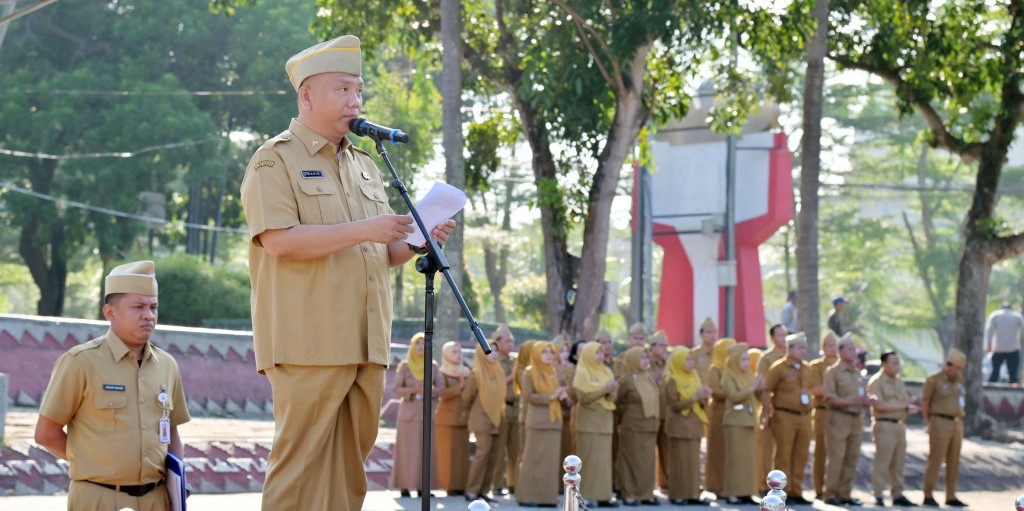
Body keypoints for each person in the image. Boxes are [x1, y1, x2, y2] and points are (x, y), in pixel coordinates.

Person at [239, 35, 456, 511]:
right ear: (307, 95)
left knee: (348, 474)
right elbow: (279, 241)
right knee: (300, 471)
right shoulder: (274, 160)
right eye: (343, 89)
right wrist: (365, 229)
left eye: (359, 90)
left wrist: (420, 238)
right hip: (309, 343)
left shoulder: (366, 165)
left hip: (366, 343)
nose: (355, 101)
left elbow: (379, 251)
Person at [35, 261, 190, 511]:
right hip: (99, 499)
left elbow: (171, 434)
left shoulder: (167, 365)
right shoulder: (80, 362)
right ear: (110, 313)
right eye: (138, 307)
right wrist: (94, 463)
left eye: (153, 307)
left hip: (157, 499)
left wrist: (177, 491)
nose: (148, 315)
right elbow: (46, 434)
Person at [762, 332, 814, 505]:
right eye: (799, 348)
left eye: (804, 348)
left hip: (805, 417)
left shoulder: (807, 368)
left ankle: (796, 492)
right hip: (784, 416)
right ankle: (781, 493)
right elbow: (767, 390)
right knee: (783, 455)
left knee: (801, 455)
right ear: (789, 349)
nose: (803, 351)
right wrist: (766, 414)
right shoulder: (779, 367)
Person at [517, 341, 567, 507]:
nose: (548, 355)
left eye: (551, 352)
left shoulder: (553, 371)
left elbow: (554, 395)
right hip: (537, 421)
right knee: (532, 459)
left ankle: (547, 498)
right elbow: (528, 396)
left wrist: (561, 395)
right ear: (536, 354)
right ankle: (527, 496)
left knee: (550, 461)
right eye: (544, 352)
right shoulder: (529, 373)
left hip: (553, 421)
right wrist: (551, 397)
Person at [390, 333, 440, 496]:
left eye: (423, 343)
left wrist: (429, 390)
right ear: (412, 346)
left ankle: (422, 488)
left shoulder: (433, 366)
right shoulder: (405, 366)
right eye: (417, 343)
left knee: (425, 450)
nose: (420, 347)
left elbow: (440, 388)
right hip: (408, 416)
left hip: (426, 414)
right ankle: (404, 486)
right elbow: (396, 389)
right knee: (407, 451)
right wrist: (413, 390)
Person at [867, 351, 919, 507]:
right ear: (884, 364)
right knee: (883, 461)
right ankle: (878, 494)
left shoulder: (899, 381)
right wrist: (903, 405)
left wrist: (908, 408)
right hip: (884, 425)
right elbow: (879, 405)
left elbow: (901, 403)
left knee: (899, 463)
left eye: (898, 363)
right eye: (894, 363)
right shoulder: (876, 382)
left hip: (899, 425)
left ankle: (897, 494)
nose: (897, 366)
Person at [822, 335, 869, 506]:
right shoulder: (832, 372)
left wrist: (866, 400)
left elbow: (860, 396)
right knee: (837, 457)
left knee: (852, 457)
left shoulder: (857, 373)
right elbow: (829, 398)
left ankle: (845, 494)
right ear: (840, 351)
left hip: (856, 419)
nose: (854, 352)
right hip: (839, 418)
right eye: (849, 349)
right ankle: (831, 493)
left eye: (854, 349)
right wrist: (852, 401)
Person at [572, 342, 619, 507]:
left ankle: (603, 496)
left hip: (605, 422)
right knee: (589, 460)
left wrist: (612, 392)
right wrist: (604, 390)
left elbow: (611, 399)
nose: (600, 355)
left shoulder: (607, 371)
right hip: (589, 423)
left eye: (601, 352)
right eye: (596, 352)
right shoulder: (582, 372)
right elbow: (583, 398)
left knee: (604, 463)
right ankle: (585, 497)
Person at [921, 348, 968, 508]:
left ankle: (951, 495)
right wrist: (931, 422)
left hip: (957, 422)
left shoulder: (959, 380)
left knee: (954, 460)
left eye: (960, 369)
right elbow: (925, 403)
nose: (958, 371)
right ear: (948, 365)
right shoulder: (934, 380)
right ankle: (928, 494)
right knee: (936, 459)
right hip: (939, 421)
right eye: (956, 368)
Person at [664, 348, 710, 505]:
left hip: (694, 425)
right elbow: (674, 404)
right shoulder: (673, 379)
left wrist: (703, 397)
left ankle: (693, 494)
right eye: (687, 360)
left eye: (692, 360)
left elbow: (700, 402)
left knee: (693, 462)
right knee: (680, 462)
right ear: (678, 362)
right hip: (679, 426)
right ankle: (678, 495)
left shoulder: (695, 376)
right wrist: (694, 398)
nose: (691, 363)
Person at [615, 347, 661, 506]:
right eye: (641, 358)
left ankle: (646, 494)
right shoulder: (626, 380)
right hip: (632, 426)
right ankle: (628, 493)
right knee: (631, 460)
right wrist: (623, 416)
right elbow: (617, 400)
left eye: (646, 358)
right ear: (633, 360)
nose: (645, 361)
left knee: (647, 461)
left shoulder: (648, 377)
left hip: (649, 426)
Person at [463, 342, 506, 503]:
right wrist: (477, 411)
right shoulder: (476, 374)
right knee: (482, 453)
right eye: (489, 350)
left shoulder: (498, 370)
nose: (493, 353)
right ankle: (471, 490)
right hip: (481, 419)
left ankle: (483, 491)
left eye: (496, 350)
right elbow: (467, 398)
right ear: (481, 353)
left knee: (493, 455)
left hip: (497, 419)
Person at [721, 343, 763, 505]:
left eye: (747, 359)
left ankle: (747, 492)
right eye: (743, 359)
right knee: (735, 460)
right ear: (735, 360)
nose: (747, 363)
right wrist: (752, 388)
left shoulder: (749, 375)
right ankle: (732, 493)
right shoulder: (728, 376)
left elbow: (756, 397)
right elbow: (733, 396)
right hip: (735, 422)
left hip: (749, 421)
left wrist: (759, 388)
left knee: (749, 460)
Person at [756, 324, 789, 493]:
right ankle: (763, 485)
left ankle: (782, 487)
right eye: (780, 335)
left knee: (784, 452)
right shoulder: (767, 358)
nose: (784, 338)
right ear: (772, 338)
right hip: (770, 409)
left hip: (787, 411)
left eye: (786, 334)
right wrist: (766, 411)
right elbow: (761, 385)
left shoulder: (792, 359)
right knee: (766, 451)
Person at [437, 341, 472, 497]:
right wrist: (460, 386)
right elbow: (442, 393)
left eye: (460, 351)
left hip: (464, 418)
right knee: (448, 455)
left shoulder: (466, 371)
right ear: (447, 354)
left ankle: (461, 485)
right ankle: (450, 486)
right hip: (447, 418)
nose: (459, 355)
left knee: (462, 454)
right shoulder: (442, 372)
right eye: (455, 352)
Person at [808, 330, 840, 499]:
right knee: (821, 451)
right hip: (822, 412)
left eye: (834, 345)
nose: (832, 348)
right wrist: (837, 393)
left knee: (839, 453)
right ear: (823, 347)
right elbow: (816, 389)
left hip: (841, 414)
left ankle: (837, 490)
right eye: (828, 345)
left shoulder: (843, 367)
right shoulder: (816, 366)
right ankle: (819, 489)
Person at [704, 337, 736, 498]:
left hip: (734, 413)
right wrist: (734, 393)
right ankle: (717, 486)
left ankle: (731, 485)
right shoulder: (715, 369)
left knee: (731, 451)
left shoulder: (734, 368)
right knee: (718, 450)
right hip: (719, 413)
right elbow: (715, 391)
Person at [491, 326, 520, 496]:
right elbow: (498, 382)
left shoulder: (515, 361)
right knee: (499, 450)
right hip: (501, 408)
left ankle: (514, 484)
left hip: (516, 409)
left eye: (512, 341)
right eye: (507, 341)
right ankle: (496, 485)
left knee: (516, 450)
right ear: (498, 342)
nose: (511, 344)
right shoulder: (494, 361)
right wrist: (512, 376)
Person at [985, 303, 1024, 384]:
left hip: (998, 348)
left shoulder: (995, 315)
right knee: (1013, 375)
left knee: (995, 373)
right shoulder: (1017, 316)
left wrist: (989, 345)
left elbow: (989, 331)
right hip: (1013, 348)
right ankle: (1015, 394)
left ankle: (990, 390)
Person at [692, 317, 718, 381]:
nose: (713, 335)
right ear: (701, 334)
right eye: (709, 332)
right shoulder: (695, 353)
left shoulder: (719, 352)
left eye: (714, 332)